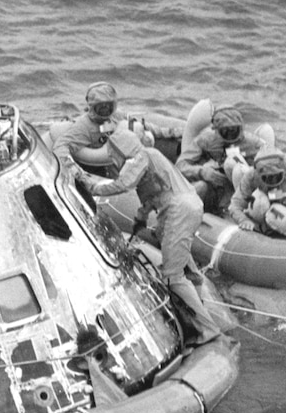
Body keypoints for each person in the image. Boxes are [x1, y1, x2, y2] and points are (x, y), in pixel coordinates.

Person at [78, 127, 221, 347]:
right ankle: (196, 307)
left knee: (172, 276)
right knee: (183, 265)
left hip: (178, 210)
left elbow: (123, 184)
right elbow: (152, 196)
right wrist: (141, 217)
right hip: (184, 207)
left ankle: (207, 329)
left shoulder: (142, 157)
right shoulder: (150, 159)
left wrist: (93, 187)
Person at [52, 82, 182, 178]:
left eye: (108, 106)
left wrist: (170, 133)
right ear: (92, 106)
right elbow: (61, 146)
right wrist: (73, 170)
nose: (105, 110)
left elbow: (143, 125)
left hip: (119, 162)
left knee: (146, 137)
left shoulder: (117, 116)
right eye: (100, 106)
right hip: (98, 170)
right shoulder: (83, 127)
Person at [175, 105, 268, 213]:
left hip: (235, 191)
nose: (230, 134)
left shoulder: (252, 143)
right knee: (200, 187)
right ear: (216, 130)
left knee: (233, 166)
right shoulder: (205, 140)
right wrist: (202, 172)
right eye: (225, 131)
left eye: (234, 130)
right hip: (211, 189)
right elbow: (180, 166)